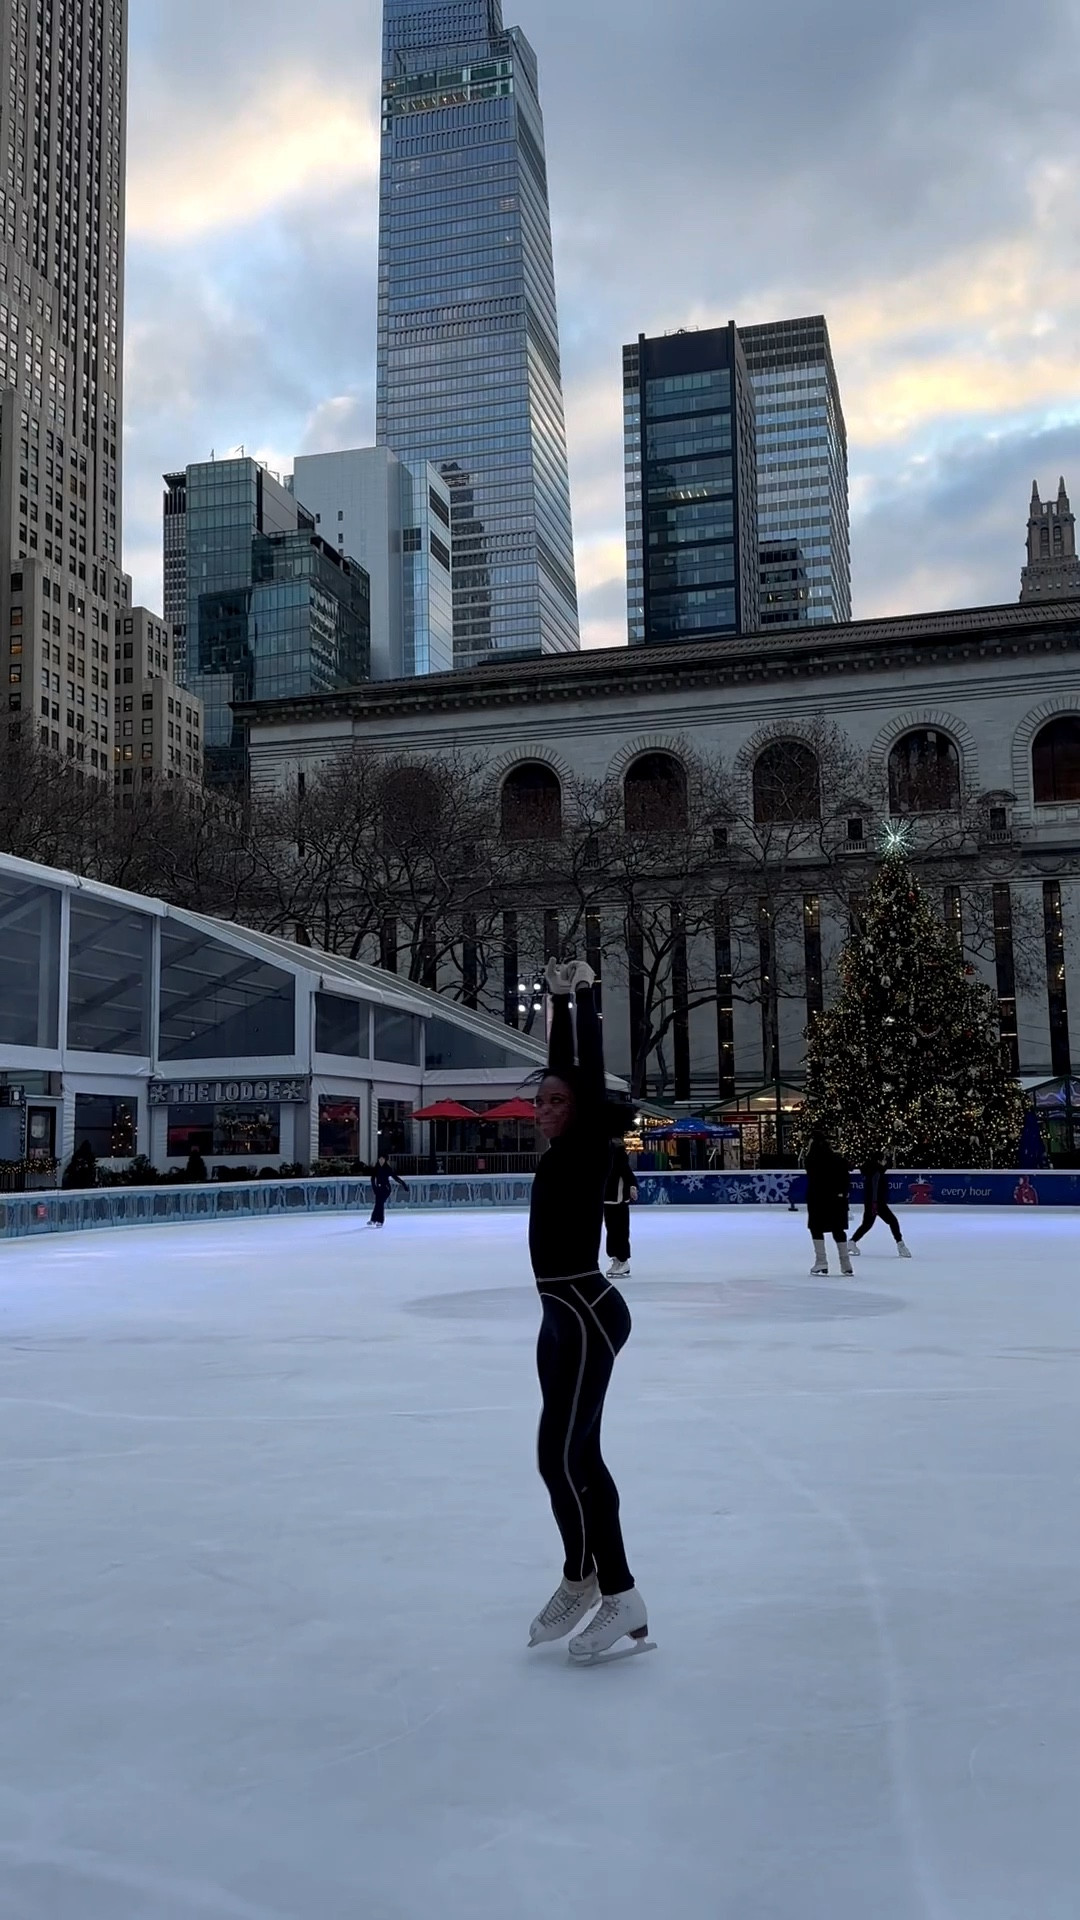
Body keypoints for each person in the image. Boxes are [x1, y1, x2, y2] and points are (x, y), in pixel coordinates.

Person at [527, 959, 653, 1664]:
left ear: (578, 1110)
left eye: (555, 1102)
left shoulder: (585, 1151)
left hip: (586, 1313)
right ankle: (608, 1587)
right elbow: (564, 1072)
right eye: (539, 1101)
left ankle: (590, 1578)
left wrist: (589, 999)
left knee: (561, 1456)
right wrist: (555, 1000)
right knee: (576, 1459)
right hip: (560, 1316)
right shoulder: (558, 1152)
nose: (543, 1109)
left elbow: (588, 1076)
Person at [804, 1127, 852, 1276]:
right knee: (838, 1229)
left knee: (816, 1228)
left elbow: (811, 1173)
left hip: (818, 1199)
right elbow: (848, 1173)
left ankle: (821, 1262)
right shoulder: (839, 1159)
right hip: (837, 1199)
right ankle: (846, 1264)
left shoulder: (811, 1159)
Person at [850, 1152, 911, 1258]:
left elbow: (880, 1173)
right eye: (883, 1160)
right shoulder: (876, 1171)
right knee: (892, 1221)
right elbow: (875, 1186)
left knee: (867, 1224)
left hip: (872, 1202)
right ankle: (900, 1244)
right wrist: (874, 1203)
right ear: (879, 1161)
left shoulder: (872, 1169)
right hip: (876, 1202)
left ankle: (852, 1242)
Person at [604, 1127, 638, 1278]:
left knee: (620, 1229)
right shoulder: (603, 1150)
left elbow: (626, 1171)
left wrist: (632, 1186)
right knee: (612, 1229)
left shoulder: (617, 1151)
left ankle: (623, 1260)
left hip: (617, 1195)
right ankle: (616, 1259)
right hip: (607, 1196)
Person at [361, 1153, 408, 1227]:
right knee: (378, 1204)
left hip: (386, 1189)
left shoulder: (387, 1168)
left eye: (382, 1159)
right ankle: (373, 1219)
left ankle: (379, 1220)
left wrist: (404, 1184)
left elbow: (395, 1177)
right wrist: (374, 1188)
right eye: (380, 1159)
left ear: (385, 1160)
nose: (381, 1161)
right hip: (378, 1188)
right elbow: (372, 1179)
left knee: (380, 1203)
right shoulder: (376, 1168)